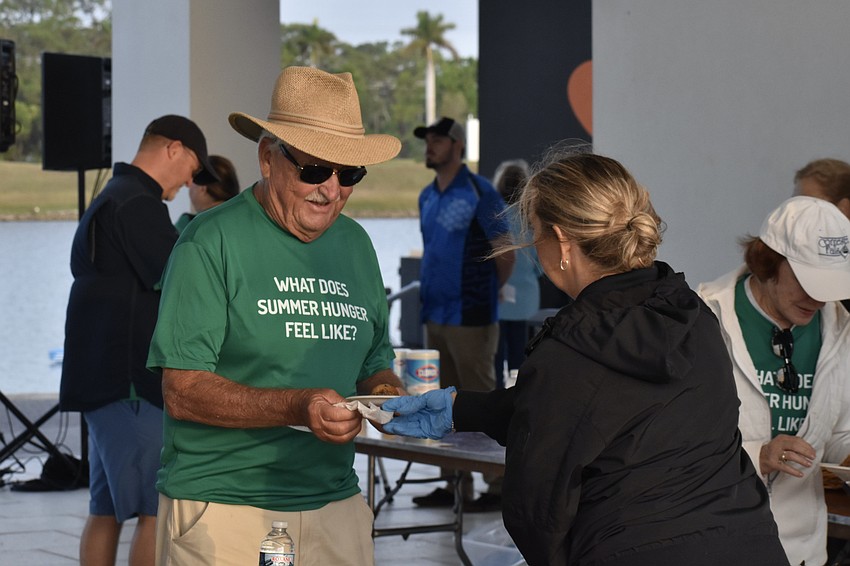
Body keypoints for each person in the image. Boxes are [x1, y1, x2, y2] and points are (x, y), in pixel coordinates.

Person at [382, 149, 791, 565]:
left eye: (535, 230)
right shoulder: (692, 316)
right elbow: (597, 406)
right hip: (747, 545)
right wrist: (461, 408)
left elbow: (537, 511)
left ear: (561, 240)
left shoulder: (569, 351)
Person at [147, 66, 405, 566]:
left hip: (335, 503)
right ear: (268, 158)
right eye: (314, 170)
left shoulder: (356, 245)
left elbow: (374, 361)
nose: (330, 190)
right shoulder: (210, 240)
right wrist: (297, 406)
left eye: (348, 174)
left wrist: (387, 397)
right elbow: (181, 390)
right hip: (224, 508)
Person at [60, 114, 218, 566]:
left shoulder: (110, 198)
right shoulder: (138, 204)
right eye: (193, 164)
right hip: (129, 386)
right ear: (172, 148)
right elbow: (184, 284)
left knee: (106, 511)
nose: (192, 178)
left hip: (99, 381)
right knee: (155, 511)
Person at [697, 195, 850, 565]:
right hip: (716, 543)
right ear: (767, 263)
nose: (818, 299)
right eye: (806, 281)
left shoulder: (839, 328)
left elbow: (838, 433)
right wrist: (757, 455)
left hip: (801, 550)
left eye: (830, 284)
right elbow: (674, 444)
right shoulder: (703, 318)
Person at [411, 116, 514, 512]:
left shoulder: (480, 191)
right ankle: (454, 482)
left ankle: (498, 483)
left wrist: (486, 292)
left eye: (438, 139)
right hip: (434, 312)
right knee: (441, 402)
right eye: (428, 140)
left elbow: (504, 251)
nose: (430, 145)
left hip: (471, 315)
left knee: (481, 399)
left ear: (457, 145)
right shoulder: (426, 195)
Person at [492, 159, 539, 388]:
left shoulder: (493, 217)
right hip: (526, 298)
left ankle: (497, 393)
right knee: (521, 354)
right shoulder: (531, 220)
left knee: (495, 354)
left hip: (496, 295)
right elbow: (540, 263)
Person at [174, 154, 240, 233]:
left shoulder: (187, 226)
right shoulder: (245, 222)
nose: (189, 184)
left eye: (193, 179)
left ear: (202, 187)